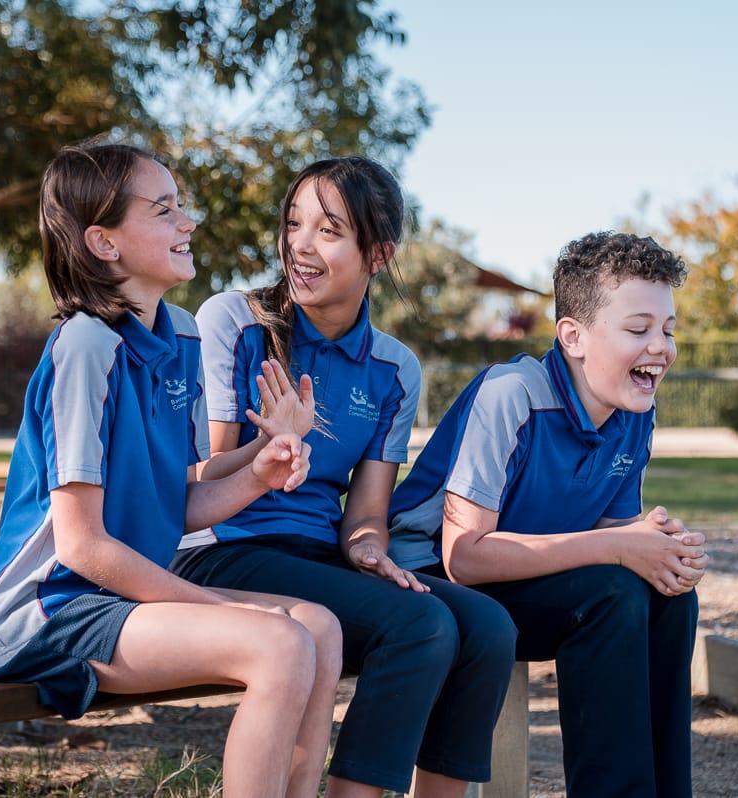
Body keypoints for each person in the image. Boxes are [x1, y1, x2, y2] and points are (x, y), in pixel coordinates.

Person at [0, 142, 341, 798]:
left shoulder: (183, 334)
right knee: (279, 644)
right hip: (49, 608)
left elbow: (180, 498)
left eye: (182, 208)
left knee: (319, 627)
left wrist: (263, 463)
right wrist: (215, 607)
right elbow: (81, 545)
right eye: (164, 210)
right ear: (104, 243)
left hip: (120, 597)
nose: (187, 223)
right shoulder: (85, 347)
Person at [171, 156, 517, 797]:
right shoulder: (232, 320)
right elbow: (200, 477)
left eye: (328, 231)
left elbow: (365, 512)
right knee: (420, 626)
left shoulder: (395, 368)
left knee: (489, 628)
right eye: (293, 224)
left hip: (319, 558)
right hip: (221, 549)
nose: (299, 245)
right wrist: (270, 447)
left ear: (377, 254)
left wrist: (369, 553)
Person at [388, 231, 710, 797]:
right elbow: (464, 557)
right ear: (573, 337)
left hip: (528, 581)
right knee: (610, 592)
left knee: (667, 596)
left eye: (668, 329)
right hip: (429, 581)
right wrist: (618, 548)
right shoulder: (510, 394)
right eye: (638, 329)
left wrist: (659, 549)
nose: (660, 346)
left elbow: (614, 534)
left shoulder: (634, 410)